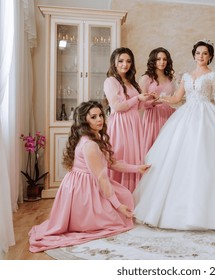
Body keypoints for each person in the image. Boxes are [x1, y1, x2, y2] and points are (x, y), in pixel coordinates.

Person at [133, 39, 215, 230]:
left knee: (207, 158)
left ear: (210, 57)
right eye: (198, 53)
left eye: (205, 53)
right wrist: (161, 98)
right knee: (180, 156)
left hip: (206, 116)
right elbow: (177, 98)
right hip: (186, 115)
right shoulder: (186, 76)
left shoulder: (212, 75)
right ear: (194, 55)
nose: (201, 56)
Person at [28, 101, 151, 252]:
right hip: (82, 190)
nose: (99, 119)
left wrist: (137, 168)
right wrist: (118, 206)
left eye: (100, 115)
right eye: (93, 117)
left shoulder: (96, 137)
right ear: (84, 120)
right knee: (118, 217)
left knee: (124, 195)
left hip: (83, 183)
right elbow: (102, 179)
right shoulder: (90, 145)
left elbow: (112, 163)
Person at [104, 47, 150, 192]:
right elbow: (117, 106)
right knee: (121, 156)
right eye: (121, 61)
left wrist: (150, 99)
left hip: (134, 123)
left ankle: (132, 194)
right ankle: (119, 194)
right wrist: (137, 98)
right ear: (114, 63)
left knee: (133, 157)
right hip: (120, 124)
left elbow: (138, 106)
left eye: (128, 61)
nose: (125, 64)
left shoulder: (130, 81)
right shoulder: (111, 81)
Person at [139, 47, 176, 154]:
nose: (162, 62)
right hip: (153, 116)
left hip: (168, 115)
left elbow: (173, 98)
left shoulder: (170, 78)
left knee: (167, 148)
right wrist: (154, 102)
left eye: (164, 59)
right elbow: (141, 103)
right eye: (158, 59)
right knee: (153, 147)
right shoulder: (146, 78)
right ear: (153, 61)